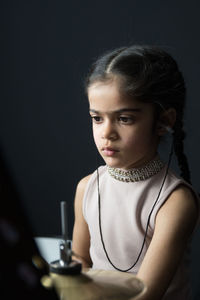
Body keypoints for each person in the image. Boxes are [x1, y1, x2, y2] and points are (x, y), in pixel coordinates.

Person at [72, 45, 199, 299]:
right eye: (97, 118)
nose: (106, 133)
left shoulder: (174, 202)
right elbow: (80, 259)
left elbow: (145, 294)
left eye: (125, 119)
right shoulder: (87, 187)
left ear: (164, 121)